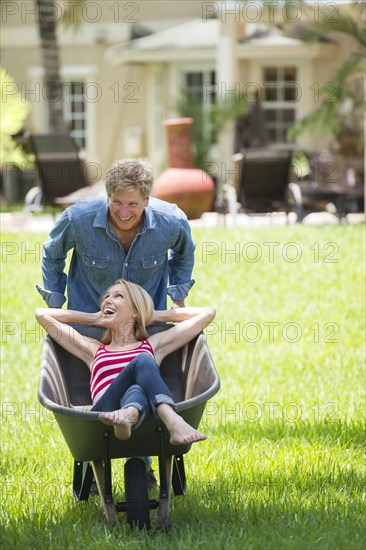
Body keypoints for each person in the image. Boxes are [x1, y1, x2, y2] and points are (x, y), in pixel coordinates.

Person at [35, 279, 216, 444]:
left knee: (137, 385)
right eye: (107, 297)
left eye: (118, 296)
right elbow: (42, 315)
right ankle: (172, 419)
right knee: (143, 361)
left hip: (140, 412)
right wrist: (94, 318)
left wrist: (155, 315)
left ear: (135, 312)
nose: (107, 300)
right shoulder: (93, 349)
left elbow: (208, 313)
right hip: (104, 412)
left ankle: (128, 414)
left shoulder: (153, 345)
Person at [36, 158, 196, 337]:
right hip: (88, 330)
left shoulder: (172, 222)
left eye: (132, 204)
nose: (124, 213)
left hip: (147, 330)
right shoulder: (77, 219)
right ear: (107, 197)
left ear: (146, 200)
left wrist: (178, 299)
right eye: (117, 203)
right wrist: (55, 306)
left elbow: (184, 254)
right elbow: (52, 255)